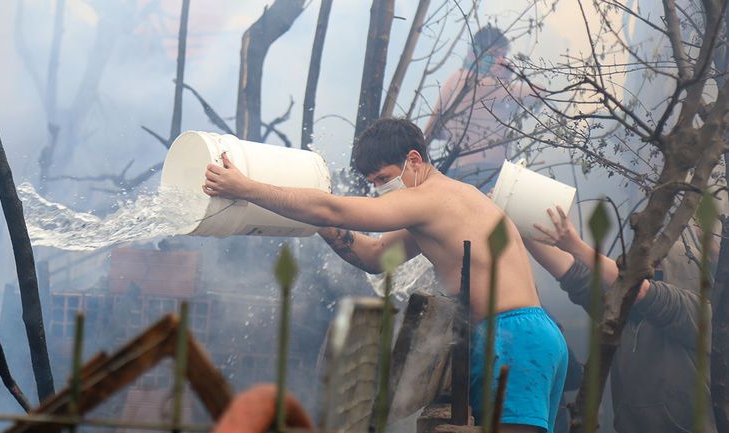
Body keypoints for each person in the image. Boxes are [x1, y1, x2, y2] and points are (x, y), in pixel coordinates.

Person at [203, 118, 568, 433]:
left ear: (414, 160)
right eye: (373, 182)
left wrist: (246, 188)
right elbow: (376, 256)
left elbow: (331, 208)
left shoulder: (431, 199)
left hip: (514, 340)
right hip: (527, 336)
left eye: (384, 178)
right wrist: (314, 223)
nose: (379, 189)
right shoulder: (444, 205)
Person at [525, 206, 717, 433]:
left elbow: (643, 290)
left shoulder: (698, 313)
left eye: (656, 271)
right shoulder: (618, 310)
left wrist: (574, 245)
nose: (646, 272)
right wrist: (520, 228)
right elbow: (571, 273)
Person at [424, 26, 535, 190]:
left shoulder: (456, 78)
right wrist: (505, 78)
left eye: (503, 56)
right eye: (495, 55)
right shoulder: (481, 83)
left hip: (457, 171)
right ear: (475, 53)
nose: (501, 61)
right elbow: (535, 94)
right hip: (481, 174)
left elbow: (432, 130)